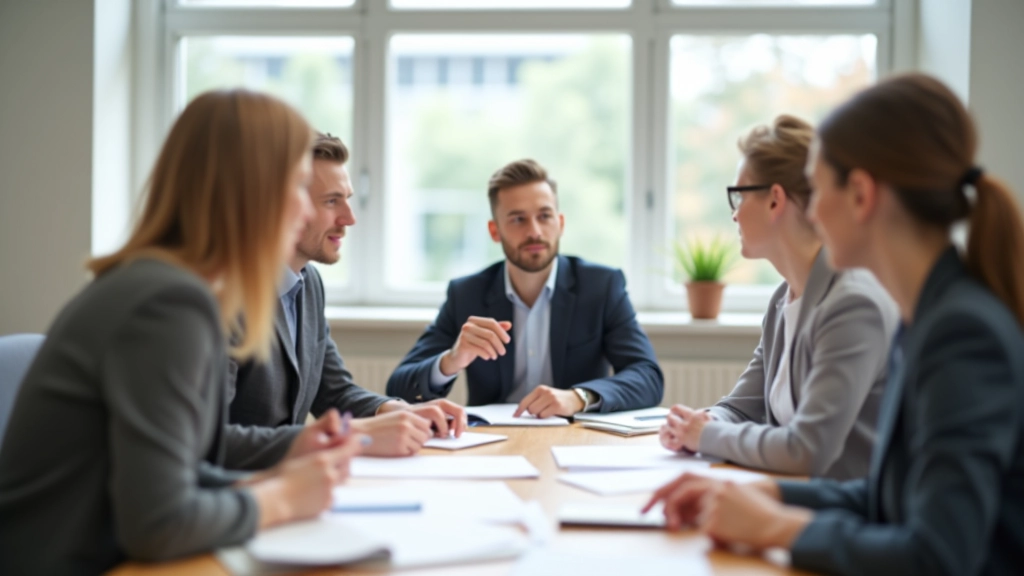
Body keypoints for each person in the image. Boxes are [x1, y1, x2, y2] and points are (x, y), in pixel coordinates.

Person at [645, 73, 1024, 575]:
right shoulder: (926, 314)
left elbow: (938, 555)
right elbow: (890, 496)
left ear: (862, 195)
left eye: (819, 189)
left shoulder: (961, 332)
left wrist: (775, 526)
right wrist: (767, 491)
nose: (813, 211)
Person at [0, 90, 367, 575]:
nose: (305, 212)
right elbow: (158, 523)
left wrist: (287, 460)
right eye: (299, 187)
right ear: (247, 191)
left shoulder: (165, 284)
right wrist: (281, 497)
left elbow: (185, 466)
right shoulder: (167, 304)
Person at [658, 115, 898, 479]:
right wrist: (700, 422)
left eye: (739, 195)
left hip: (845, 517)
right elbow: (742, 408)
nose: (734, 214)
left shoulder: (853, 303)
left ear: (775, 200)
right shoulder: (782, 299)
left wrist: (707, 434)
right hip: (792, 500)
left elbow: (807, 450)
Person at [226, 133, 466, 460]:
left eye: (348, 198)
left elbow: (334, 392)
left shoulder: (308, 284)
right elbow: (211, 438)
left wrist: (397, 411)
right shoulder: (226, 295)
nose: (349, 218)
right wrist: (352, 434)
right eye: (331, 201)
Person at [387, 159, 663, 417]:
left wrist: (579, 397)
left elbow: (648, 376)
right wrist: (451, 360)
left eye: (544, 216)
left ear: (560, 223)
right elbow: (398, 389)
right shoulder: (466, 294)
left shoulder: (601, 286)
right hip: (494, 443)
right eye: (518, 219)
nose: (534, 231)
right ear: (494, 231)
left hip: (576, 437)